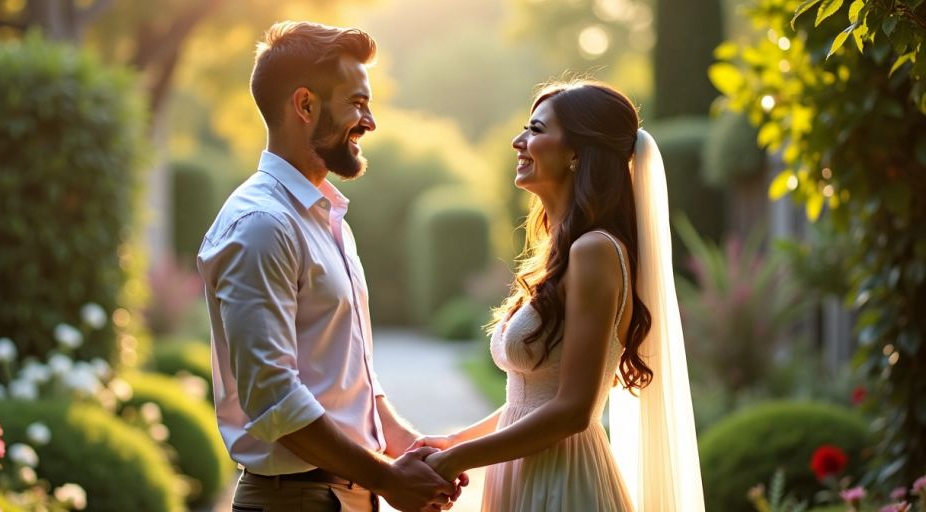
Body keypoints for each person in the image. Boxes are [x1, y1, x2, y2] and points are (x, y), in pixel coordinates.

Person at [196, 21, 463, 512]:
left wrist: (402, 443)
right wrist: (387, 478)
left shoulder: (327, 216)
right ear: (305, 105)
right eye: (358, 103)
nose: (370, 121)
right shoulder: (261, 224)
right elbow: (274, 400)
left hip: (340, 495)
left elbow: (344, 371)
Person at [416, 80, 706, 511]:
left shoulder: (595, 251)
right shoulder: (559, 254)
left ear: (576, 153)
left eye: (534, 129)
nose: (519, 141)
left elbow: (573, 409)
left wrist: (457, 460)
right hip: (524, 471)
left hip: (562, 481)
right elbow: (531, 400)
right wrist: (457, 440)